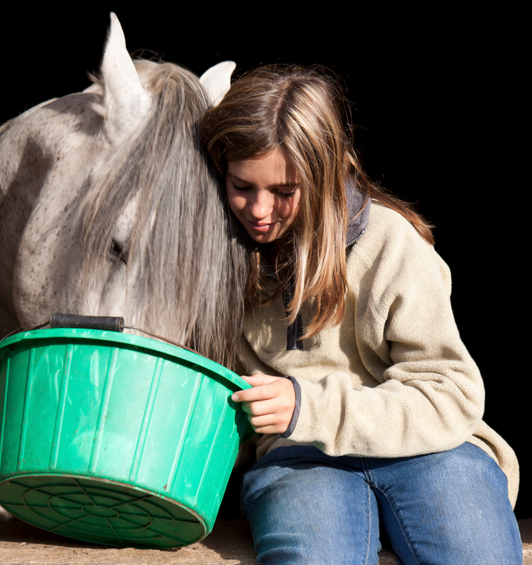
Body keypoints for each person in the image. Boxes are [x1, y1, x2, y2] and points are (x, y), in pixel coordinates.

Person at [200, 65, 522, 564]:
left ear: (326, 174)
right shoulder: (218, 256)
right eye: (242, 186)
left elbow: (453, 394)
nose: (259, 210)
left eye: (284, 192)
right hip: (298, 460)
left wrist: (310, 407)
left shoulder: (392, 245)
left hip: (433, 450)